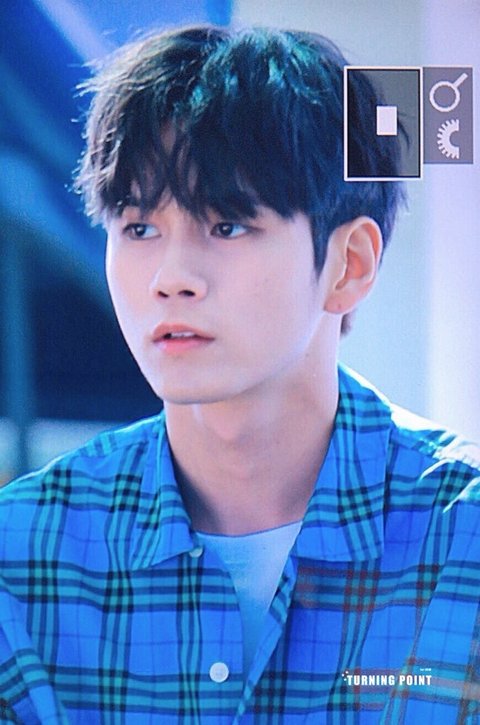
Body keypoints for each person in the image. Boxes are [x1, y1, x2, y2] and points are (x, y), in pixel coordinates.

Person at [1, 24, 479, 724]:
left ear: (348, 265)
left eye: (226, 225)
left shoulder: (462, 535)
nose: (171, 277)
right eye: (138, 228)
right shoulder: (23, 552)